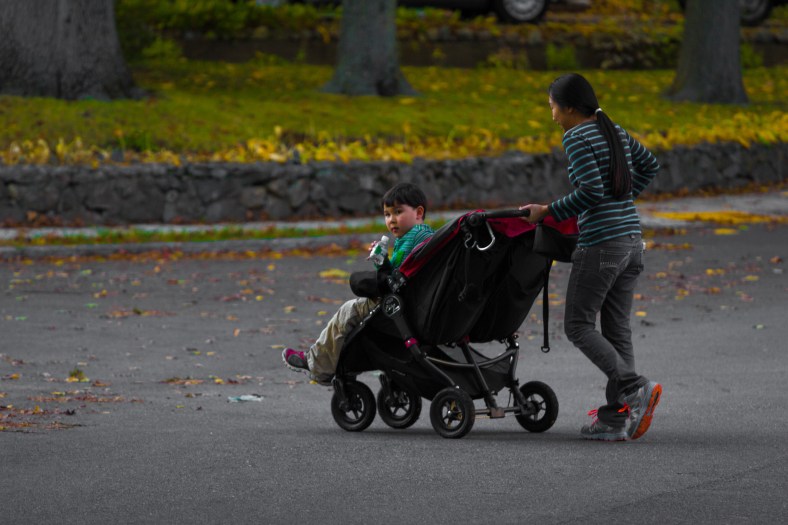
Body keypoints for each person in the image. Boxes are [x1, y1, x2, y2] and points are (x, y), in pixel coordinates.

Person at [519, 73, 662, 441]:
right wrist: (624, 199)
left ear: (568, 107)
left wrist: (546, 211)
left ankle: (634, 389)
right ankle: (615, 419)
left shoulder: (578, 136)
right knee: (616, 331)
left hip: (602, 244)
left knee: (578, 326)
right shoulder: (613, 128)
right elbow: (650, 166)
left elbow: (591, 192)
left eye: (552, 107)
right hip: (632, 242)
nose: (551, 115)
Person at [282, 182, 434, 384]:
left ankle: (317, 364)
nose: (392, 220)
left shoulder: (414, 237)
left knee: (348, 312)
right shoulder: (427, 236)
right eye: (387, 214)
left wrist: (382, 265)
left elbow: (395, 278)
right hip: (415, 303)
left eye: (398, 212)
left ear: (418, 212)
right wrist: (383, 261)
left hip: (398, 304)